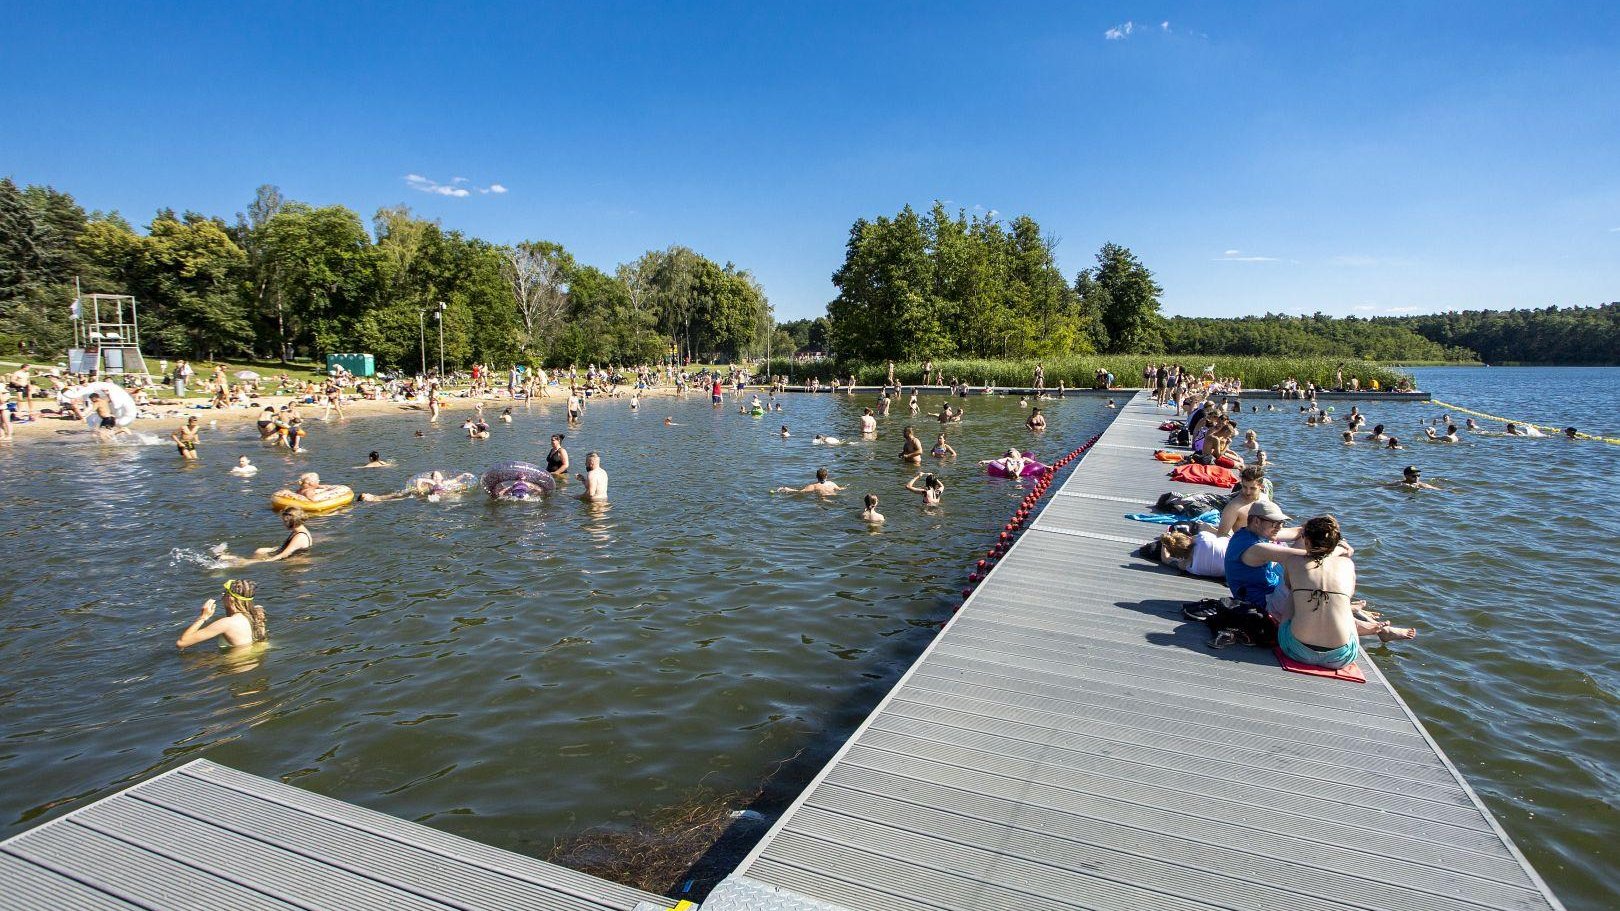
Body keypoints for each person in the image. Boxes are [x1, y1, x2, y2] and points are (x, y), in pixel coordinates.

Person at [1276, 516, 1415, 669]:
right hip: (1340, 657)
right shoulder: (1347, 564)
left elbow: (1289, 585)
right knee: (1342, 600)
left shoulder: (1293, 562)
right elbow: (1349, 592)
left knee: (1293, 594)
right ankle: (1376, 628)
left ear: (1307, 541)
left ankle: (1374, 627)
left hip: (1296, 650)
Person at [1224, 499, 1306, 619]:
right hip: (1265, 604)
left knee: (1305, 538)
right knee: (1299, 566)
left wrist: (1327, 533)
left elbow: (1300, 532)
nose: (1279, 527)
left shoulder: (1251, 532)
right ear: (1257, 521)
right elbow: (1305, 556)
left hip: (1271, 587)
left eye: (1281, 523)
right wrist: (1340, 549)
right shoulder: (1255, 548)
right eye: (1275, 523)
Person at [176, 579, 267, 650]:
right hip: (252, 660)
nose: (222, 596)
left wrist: (203, 617)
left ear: (231, 599)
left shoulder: (227, 623)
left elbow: (182, 643)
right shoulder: (257, 614)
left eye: (224, 593)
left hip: (235, 667)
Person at [225, 507, 312, 565]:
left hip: (291, 559)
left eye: (285, 521)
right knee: (259, 551)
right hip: (288, 553)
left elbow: (284, 554)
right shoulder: (299, 531)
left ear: (292, 522)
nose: (283, 524)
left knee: (249, 561)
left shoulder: (300, 536)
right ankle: (233, 558)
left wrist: (267, 561)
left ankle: (237, 561)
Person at [1157, 528, 1229, 578]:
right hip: (1236, 551)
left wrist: (1164, 545)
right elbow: (1222, 533)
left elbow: (1165, 559)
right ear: (1188, 538)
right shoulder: (1203, 537)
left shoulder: (1190, 566)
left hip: (1232, 571)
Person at [777, 467, 845, 496]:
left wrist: (787, 489)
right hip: (832, 495)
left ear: (816, 476)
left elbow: (799, 492)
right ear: (826, 476)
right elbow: (840, 489)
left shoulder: (813, 486)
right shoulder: (832, 484)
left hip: (821, 498)